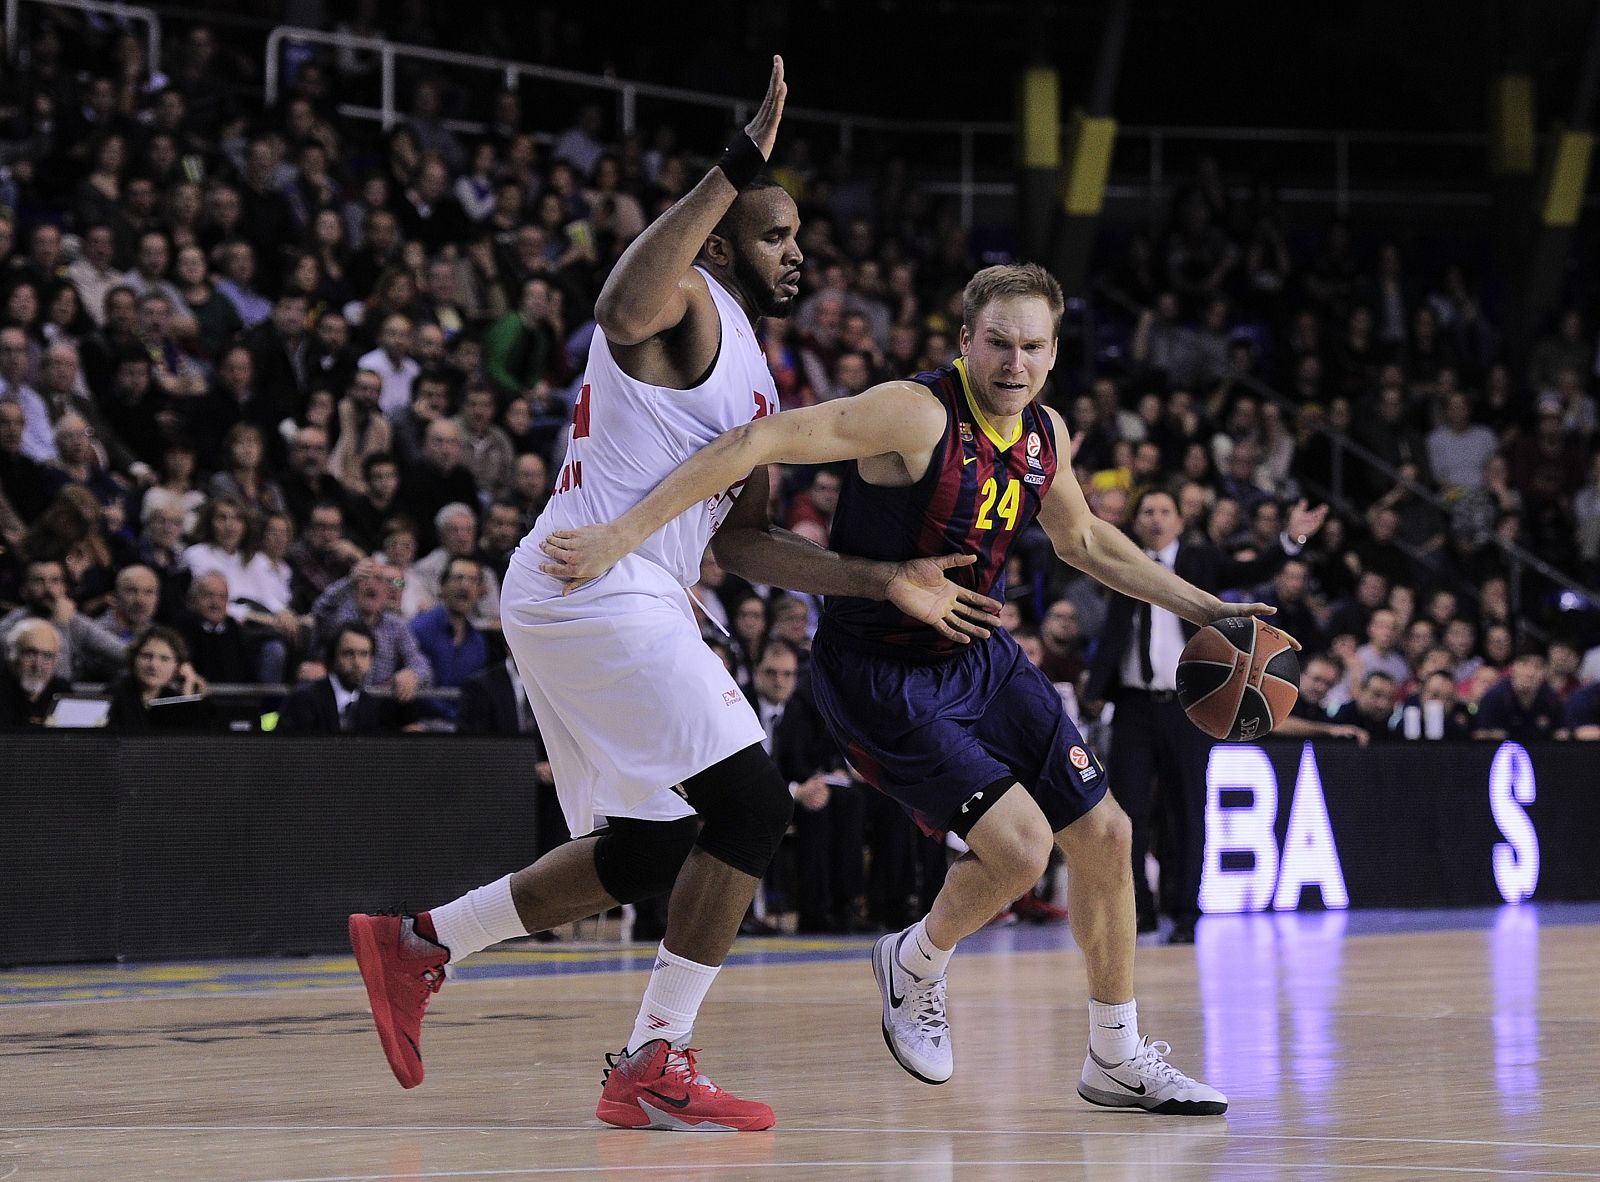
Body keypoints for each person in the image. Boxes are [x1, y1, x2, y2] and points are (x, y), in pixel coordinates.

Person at [345, 58, 994, 1131]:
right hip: (596, 577)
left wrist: (886, 579)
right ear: (728, 238)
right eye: (777, 234)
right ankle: (656, 1056)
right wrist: (733, 166)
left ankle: (419, 943)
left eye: (797, 237)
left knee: (649, 846)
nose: (798, 253)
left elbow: (744, 542)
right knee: (751, 804)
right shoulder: (691, 297)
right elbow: (617, 300)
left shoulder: (757, 377)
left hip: (608, 589)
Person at [538, 261, 1276, 1115]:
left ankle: (1115, 1055)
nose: (1014, 363)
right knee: (1023, 850)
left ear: (1054, 351)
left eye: (1032, 347)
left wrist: (1204, 608)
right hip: (880, 673)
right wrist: (622, 533)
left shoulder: (1045, 435)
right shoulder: (914, 413)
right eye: (997, 343)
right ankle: (917, 960)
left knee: (1107, 835)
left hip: (977, 656)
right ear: (966, 341)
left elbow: (1084, 540)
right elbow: (753, 444)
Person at [1082, 487, 1326, 943]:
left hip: (1188, 708)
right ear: (1136, 522)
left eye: (1164, 510)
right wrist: (1095, 689)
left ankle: (1188, 912)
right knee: (1125, 815)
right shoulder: (1122, 562)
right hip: (1132, 705)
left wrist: (1290, 542)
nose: (1156, 519)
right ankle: (1139, 911)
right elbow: (1112, 632)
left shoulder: (1197, 561)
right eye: (1148, 511)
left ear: (1179, 521)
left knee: (1189, 810)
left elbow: (1251, 569)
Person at [279, 622, 395, 733]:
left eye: (364, 654)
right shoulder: (304, 699)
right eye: (349, 653)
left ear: (372, 660)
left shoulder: (370, 706)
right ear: (333, 657)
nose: (357, 663)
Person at [0, 618, 70, 729]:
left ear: (56, 661)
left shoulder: (62, 692)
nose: (38, 666)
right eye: (30, 653)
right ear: (12, 655)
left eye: (47, 656)